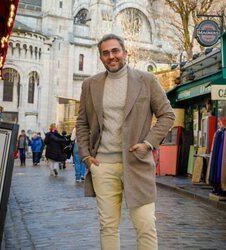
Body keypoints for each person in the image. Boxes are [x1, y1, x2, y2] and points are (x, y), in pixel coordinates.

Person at [76, 34, 175, 250]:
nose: (111, 56)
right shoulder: (90, 85)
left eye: (115, 51)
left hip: (137, 164)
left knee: (146, 226)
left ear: (125, 52)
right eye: (106, 53)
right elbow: (82, 122)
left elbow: (167, 115)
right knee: (108, 227)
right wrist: (85, 156)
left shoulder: (146, 81)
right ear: (101, 57)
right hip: (103, 166)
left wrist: (148, 143)